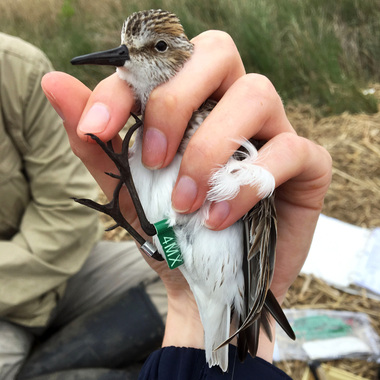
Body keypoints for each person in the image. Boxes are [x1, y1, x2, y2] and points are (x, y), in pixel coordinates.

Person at [41, 30, 332, 379]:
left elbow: (212, 245)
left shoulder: (218, 129)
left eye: (158, 47)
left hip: (230, 283)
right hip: (198, 275)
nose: (126, 55)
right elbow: (175, 255)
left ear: (180, 56)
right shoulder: (146, 134)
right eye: (127, 46)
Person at [0, 33, 167, 380]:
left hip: (64, 272)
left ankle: (38, 370)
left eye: (158, 47)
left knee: (201, 287)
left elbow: (67, 211)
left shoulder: (17, 68)